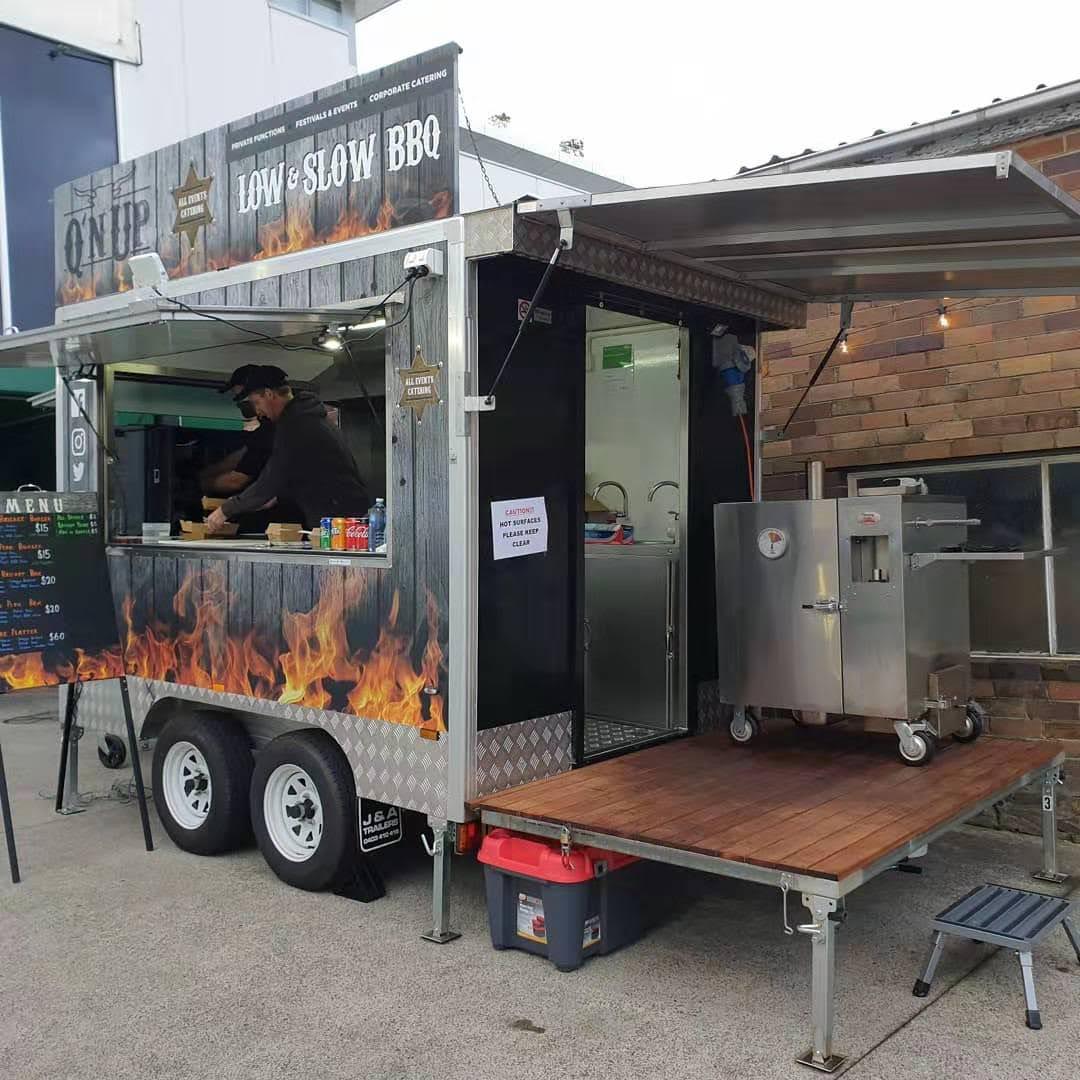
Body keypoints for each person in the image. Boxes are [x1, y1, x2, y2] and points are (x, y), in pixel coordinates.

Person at [206, 365, 369, 532]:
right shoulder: (308, 417)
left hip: (338, 520)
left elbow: (273, 475)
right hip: (344, 515)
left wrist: (225, 510)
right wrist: (277, 496)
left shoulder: (295, 425)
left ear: (269, 394)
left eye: (256, 402)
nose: (258, 411)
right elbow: (310, 470)